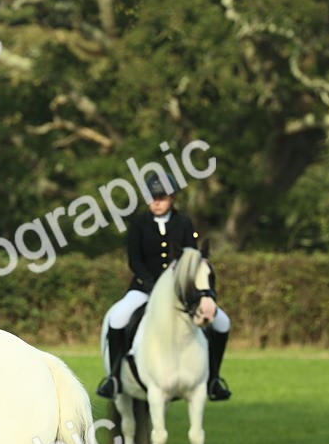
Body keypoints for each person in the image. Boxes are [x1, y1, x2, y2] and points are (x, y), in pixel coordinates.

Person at [96, 172, 232, 401]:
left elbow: (192, 260)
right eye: (152, 197)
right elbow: (134, 259)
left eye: (161, 197)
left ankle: (213, 379)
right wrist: (151, 284)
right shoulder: (139, 224)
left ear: (172, 198)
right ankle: (114, 378)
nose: (156, 201)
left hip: (179, 295)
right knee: (117, 318)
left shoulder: (184, 223)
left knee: (222, 322)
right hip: (142, 288)